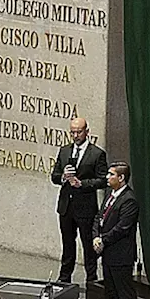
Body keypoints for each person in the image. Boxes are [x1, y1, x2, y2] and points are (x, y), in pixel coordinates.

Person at [50, 117, 109, 284]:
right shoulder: (64, 151)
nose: (76, 135)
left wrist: (81, 183)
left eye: (79, 132)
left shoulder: (97, 154)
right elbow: (54, 176)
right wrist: (63, 177)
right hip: (66, 206)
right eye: (73, 132)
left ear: (87, 132)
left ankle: (91, 279)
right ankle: (64, 278)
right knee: (68, 244)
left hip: (85, 207)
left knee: (88, 245)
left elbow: (102, 180)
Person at [92, 162, 140, 299]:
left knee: (124, 292)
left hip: (121, 254)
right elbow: (99, 217)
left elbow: (123, 228)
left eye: (111, 175)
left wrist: (103, 239)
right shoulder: (110, 195)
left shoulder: (129, 200)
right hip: (107, 251)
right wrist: (96, 236)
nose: (107, 177)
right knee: (110, 290)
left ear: (121, 178)